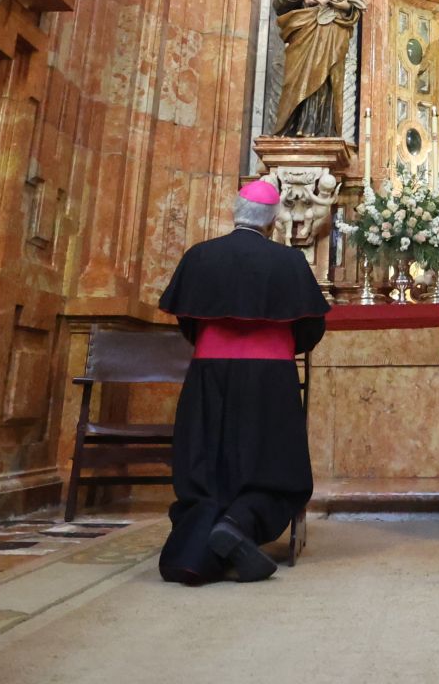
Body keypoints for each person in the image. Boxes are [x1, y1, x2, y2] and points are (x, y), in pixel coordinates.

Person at [157, 178, 329, 584]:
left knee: (205, 463)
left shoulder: (199, 257)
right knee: (273, 462)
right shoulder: (289, 263)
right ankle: (239, 521)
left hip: (209, 374)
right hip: (270, 379)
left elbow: (188, 321)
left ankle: (193, 551)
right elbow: (310, 330)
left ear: (235, 213)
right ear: (272, 221)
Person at [272, 0, 362, 137]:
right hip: (304, 37)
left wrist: (345, 5)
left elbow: (354, 7)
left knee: (324, 82)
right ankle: (291, 128)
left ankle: (319, 130)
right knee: (295, 80)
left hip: (331, 34)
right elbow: (280, 7)